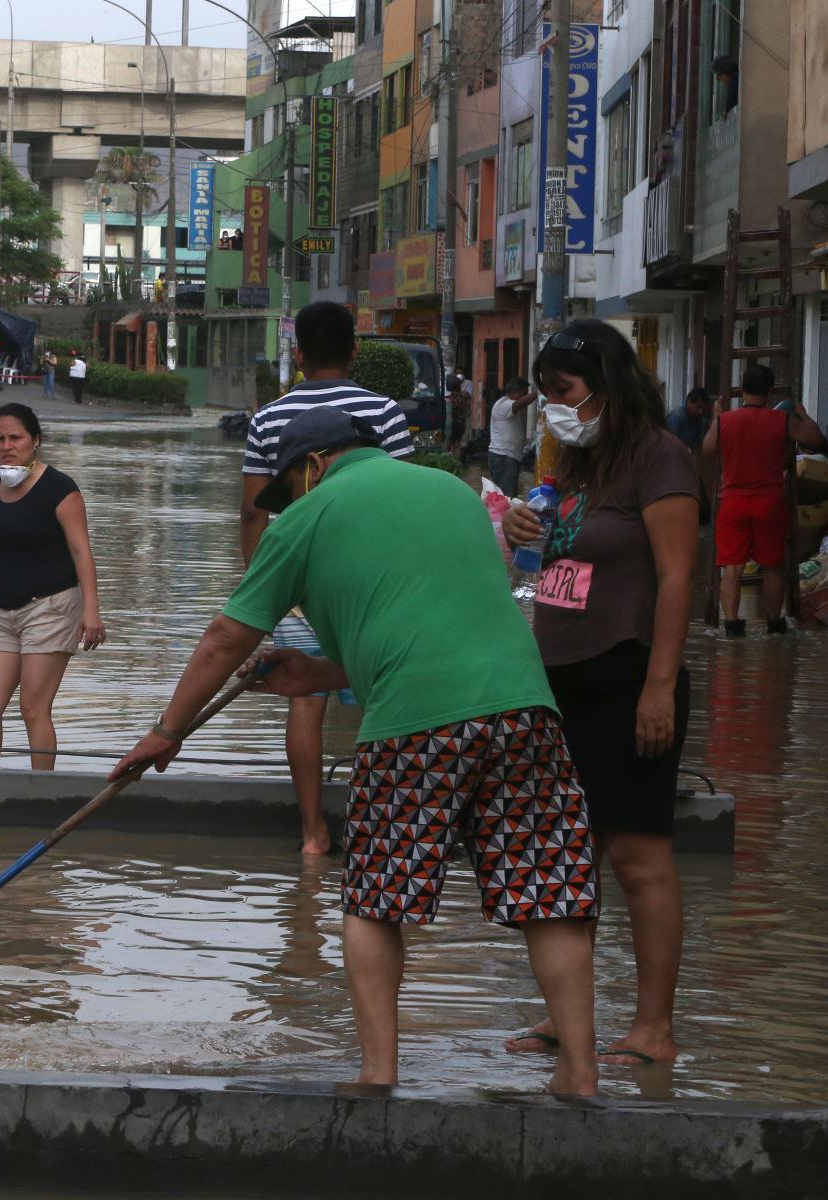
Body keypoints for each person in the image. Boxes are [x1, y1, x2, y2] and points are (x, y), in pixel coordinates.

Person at [113, 405, 601, 1095]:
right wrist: (318, 674)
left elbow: (227, 638)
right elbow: (432, 625)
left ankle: (377, 1075)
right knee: (545, 893)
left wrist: (167, 734)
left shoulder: (303, 522)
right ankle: (579, 1075)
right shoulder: (452, 493)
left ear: (313, 466)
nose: (286, 505)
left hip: (412, 728)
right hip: (526, 710)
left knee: (375, 901)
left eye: (288, 487)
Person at [501, 319, 699, 1070]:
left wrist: (658, 689)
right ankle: (567, 1019)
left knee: (638, 855)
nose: (552, 406)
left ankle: (654, 1028)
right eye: (547, 393)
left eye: (564, 391)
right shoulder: (575, 461)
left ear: (609, 386)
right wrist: (521, 523)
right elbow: (547, 558)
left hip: (626, 673)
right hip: (555, 680)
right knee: (564, 852)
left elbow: (680, 577)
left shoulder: (662, 460)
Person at [240, 301, 414, 856]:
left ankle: (313, 834)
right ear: (355, 351)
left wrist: (265, 597)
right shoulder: (384, 411)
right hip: (377, 586)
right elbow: (400, 496)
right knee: (384, 700)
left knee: (306, 702)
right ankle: (384, 831)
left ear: (298, 355)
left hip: (300, 587)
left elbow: (253, 514)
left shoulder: (269, 418)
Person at [0, 403, 107, 772]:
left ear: (35, 441)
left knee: (33, 708)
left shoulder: (60, 488)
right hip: (2, 611)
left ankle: (41, 794)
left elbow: (80, 549)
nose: (7, 445)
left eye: (16, 437)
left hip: (51, 607)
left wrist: (91, 610)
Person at [701, 364, 827, 636]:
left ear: (743, 391)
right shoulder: (781, 421)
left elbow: (708, 450)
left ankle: (732, 627)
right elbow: (817, 440)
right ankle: (774, 623)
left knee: (732, 569)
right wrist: (804, 416)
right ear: (769, 392)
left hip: (733, 503)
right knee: (772, 566)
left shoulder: (726, 421)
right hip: (770, 502)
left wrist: (716, 418)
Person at [488, 378, 536, 495]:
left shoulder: (505, 404)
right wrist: (537, 394)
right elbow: (518, 404)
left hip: (508, 457)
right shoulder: (504, 404)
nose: (525, 396)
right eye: (524, 393)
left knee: (508, 495)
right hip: (504, 457)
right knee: (506, 496)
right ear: (516, 393)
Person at [667, 387, 712, 451]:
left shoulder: (698, 420)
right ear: (689, 402)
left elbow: (696, 446)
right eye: (698, 407)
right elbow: (667, 444)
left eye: (703, 409)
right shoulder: (677, 416)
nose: (700, 412)